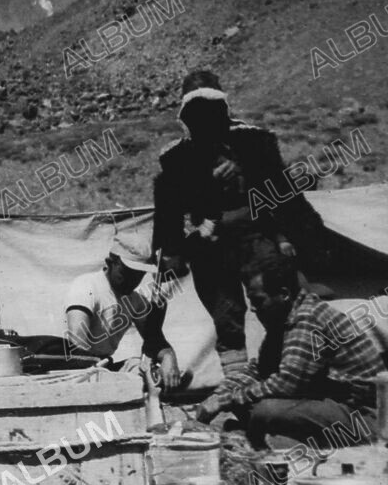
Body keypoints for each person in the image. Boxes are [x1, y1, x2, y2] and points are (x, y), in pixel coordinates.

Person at [152, 70, 325, 370]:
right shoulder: (177, 158)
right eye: (197, 108)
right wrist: (171, 252)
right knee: (227, 320)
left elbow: (283, 191)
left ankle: (290, 376)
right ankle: (238, 392)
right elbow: (169, 209)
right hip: (211, 245)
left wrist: (305, 235)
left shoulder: (254, 141)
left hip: (257, 239)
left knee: (277, 309)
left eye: (211, 106)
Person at [197, 254, 383, 449]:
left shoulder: (307, 318)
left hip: (363, 417)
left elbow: (287, 384)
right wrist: (218, 396)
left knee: (264, 409)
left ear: (284, 294)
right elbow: (260, 370)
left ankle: (272, 440)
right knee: (249, 402)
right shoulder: (283, 318)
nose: (252, 308)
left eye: (258, 300)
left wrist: (225, 400)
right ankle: (276, 439)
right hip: (333, 404)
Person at [64, 231, 183, 389]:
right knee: (117, 396)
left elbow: (153, 339)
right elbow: (76, 345)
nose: (133, 280)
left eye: (139, 274)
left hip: (103, 368)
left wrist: (169, 356)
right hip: (73, 369)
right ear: (110, 262)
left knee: (139, 367)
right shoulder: (87, 286)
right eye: (127, 272)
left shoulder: (135, 300)